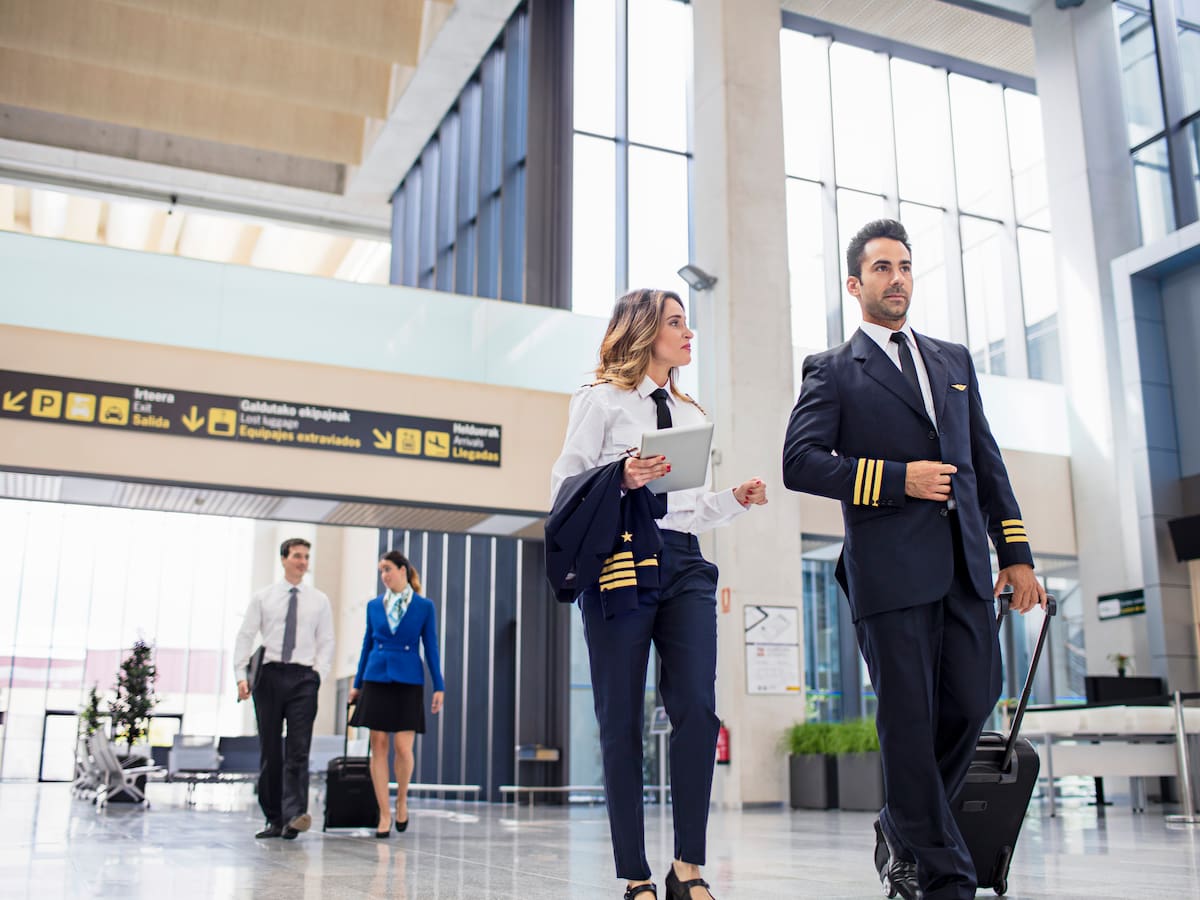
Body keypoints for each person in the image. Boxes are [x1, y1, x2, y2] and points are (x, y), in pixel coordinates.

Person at [782, 219, 1048, 900]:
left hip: (962, 567)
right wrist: (898, 478)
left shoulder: (953, 361)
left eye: (904, 266)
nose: (896, 278)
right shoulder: (833, 371)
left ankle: (900, 830)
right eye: (881, 268)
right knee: (908, 720)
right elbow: (799, 462)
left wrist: (1015, 553)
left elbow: (986, 465)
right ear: (855, 283)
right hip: (889, 574)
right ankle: (944, 874)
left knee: (972, 699)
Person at [549, 288, 767, 900]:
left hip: (686, 563)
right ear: (645, 331)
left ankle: (687, 869)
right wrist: (619, 476)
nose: (689, 333)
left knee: (697, 708)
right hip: (622, 561)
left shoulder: (691, 412)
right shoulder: (601, 401)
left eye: (687, 323)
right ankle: (635, 875)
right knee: (620, 716)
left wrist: (734, 501)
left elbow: (690, 510)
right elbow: (563, 485)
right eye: (677, 323)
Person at [234, 537, 335, 840]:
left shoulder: (319, 600)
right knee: (270, 749)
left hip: (304, 678)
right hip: (269, 676)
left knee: (298, 749)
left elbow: (326, 640)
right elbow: (246, 634)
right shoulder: (263, 597)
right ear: (283, 559)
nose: (303, 562)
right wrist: (241, 674)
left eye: (306, 557)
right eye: (297, 556)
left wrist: (318, 674)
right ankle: (274, 818)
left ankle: (294, 816)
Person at [348, 550, 445, 837]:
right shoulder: (374, 606)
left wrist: (438, 685)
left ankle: (402, 800)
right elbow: (367, 643)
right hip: (375, 677)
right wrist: (356, 684)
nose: (384, 576)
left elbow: (432, 647)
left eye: (388, 569)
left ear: (403, 570)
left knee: (403, 748)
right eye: (381, 571)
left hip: (408, 679)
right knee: (378, 746)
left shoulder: (424, 606)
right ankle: (384, 813)